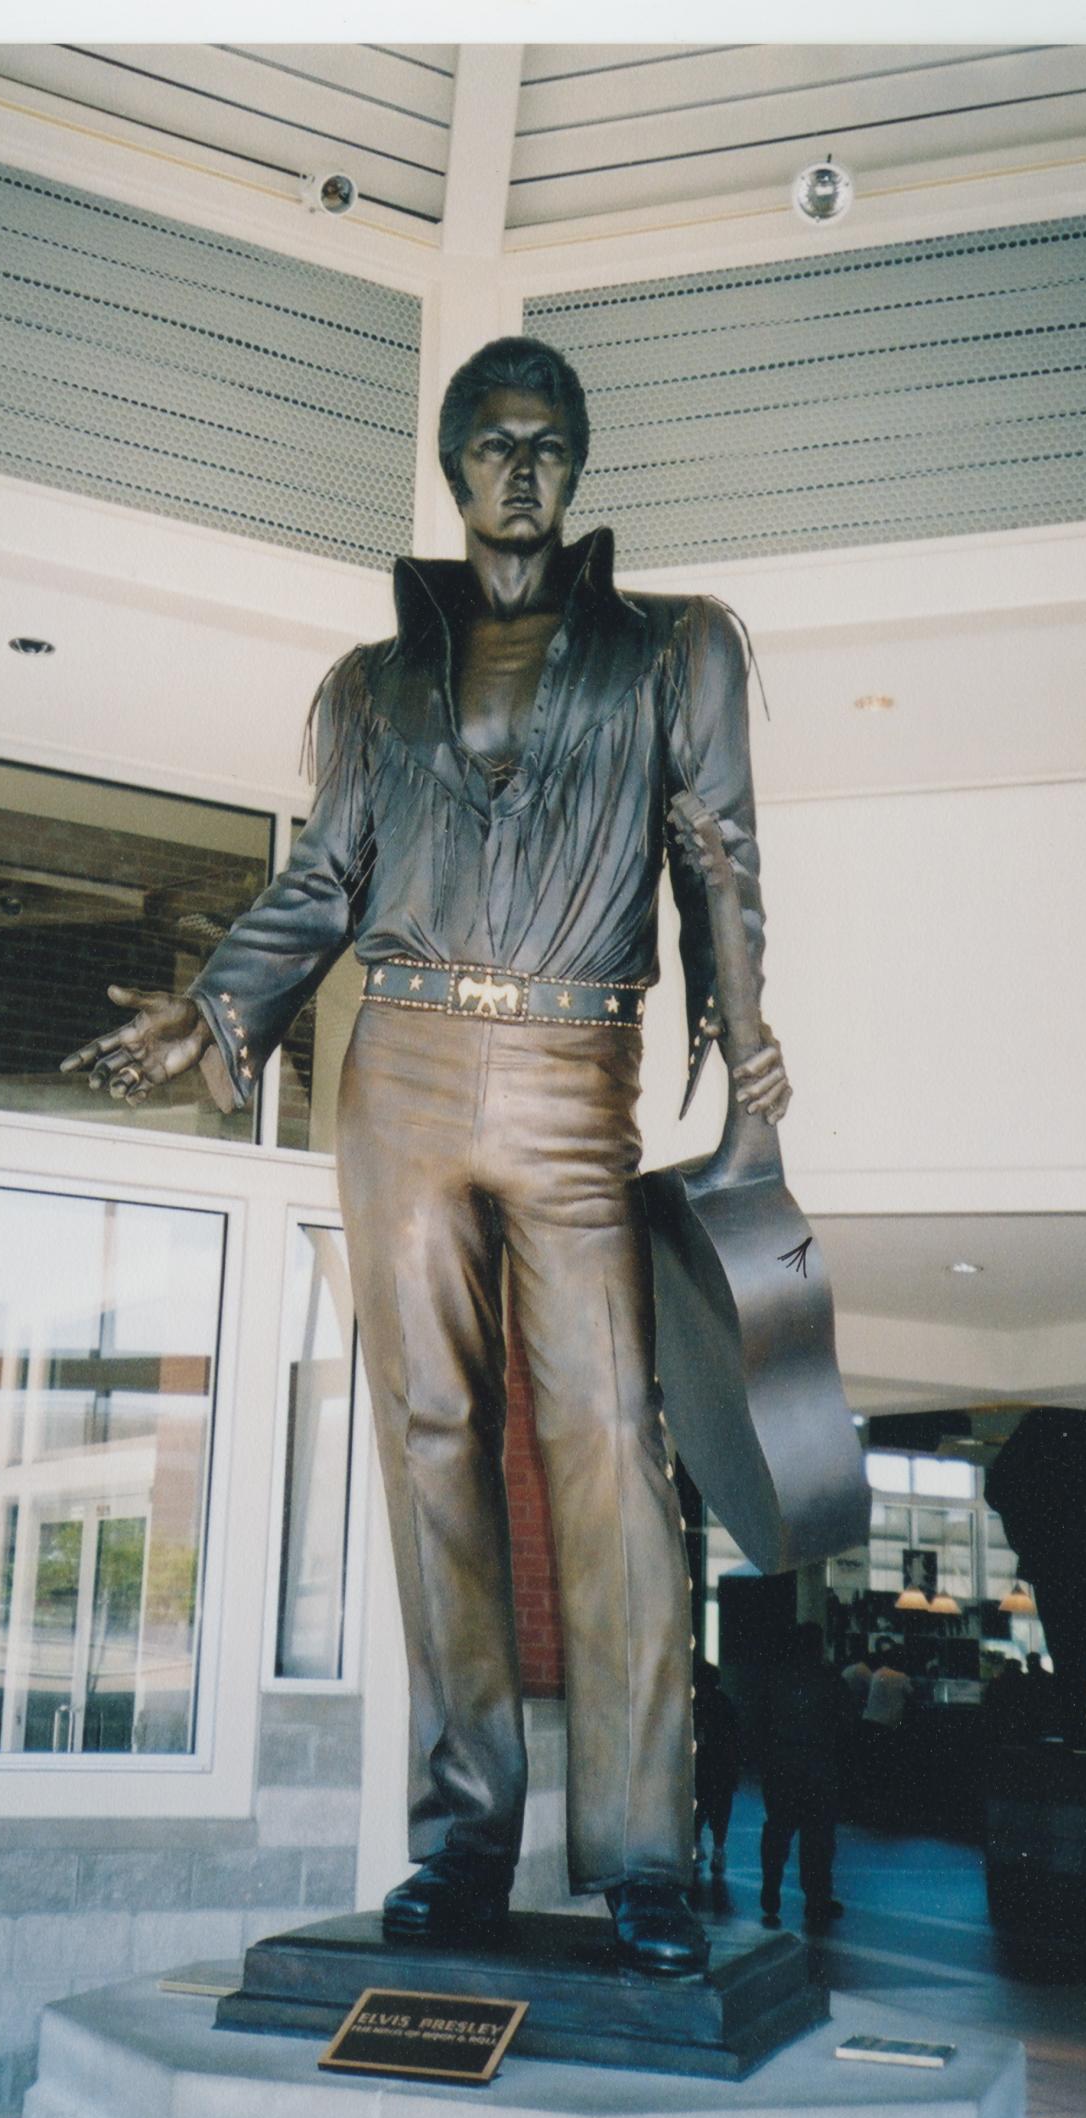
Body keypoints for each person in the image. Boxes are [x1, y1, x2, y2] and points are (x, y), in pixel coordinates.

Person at [61, 336, 791, 1977]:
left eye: (546, 441)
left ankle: (644, 1853)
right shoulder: (377, 679)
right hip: (397, 1064)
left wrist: (747, 1058)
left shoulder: (676, 647)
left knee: (612, 1439)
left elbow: (719, 853)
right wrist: (217, 1010)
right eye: (489, 442)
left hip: (568, 1066)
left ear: (580, 463)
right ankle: (464, 1839)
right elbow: (323, 876)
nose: (518, 467)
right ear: (451, 467)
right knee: (431, 1434)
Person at [758, 1621, 854, 1934]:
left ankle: (770, 1888)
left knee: (777, 1829)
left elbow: (760, 1720)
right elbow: (847, 1722)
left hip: (781, 1763)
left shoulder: (776, 1677)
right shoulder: (829, 1678)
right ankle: (816, 1898)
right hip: (818, 1766)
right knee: (818, 1836)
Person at [693, 1660, 742, 1880]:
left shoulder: (694, 1705)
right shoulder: (724, 1704)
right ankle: (718, 1850)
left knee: (700, 1807)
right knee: (720, 1810)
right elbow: (733, 1738)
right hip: (720, 1766)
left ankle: (697, 1844)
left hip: (702, 1764)